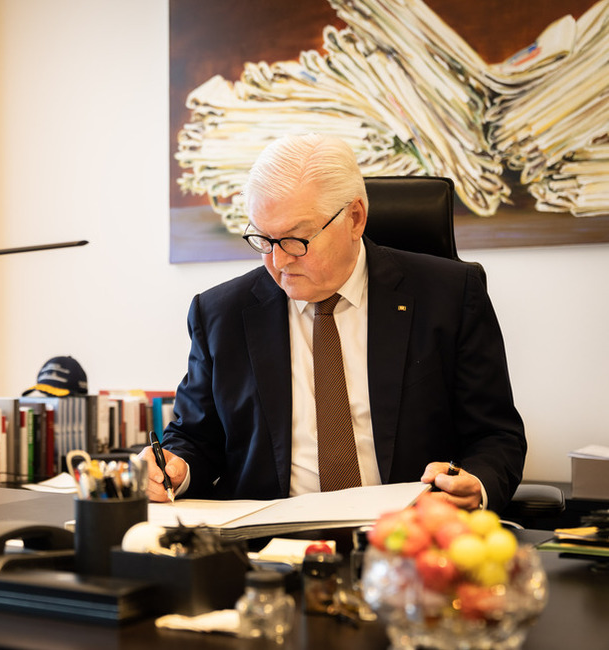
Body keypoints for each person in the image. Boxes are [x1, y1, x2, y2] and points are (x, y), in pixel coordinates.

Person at [143, 133, 526, 512]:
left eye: (295, 239)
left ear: (355, 217)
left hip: (411, 538)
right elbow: (194, 437)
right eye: (264, 239)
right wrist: (175, 468)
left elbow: (496, 435)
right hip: (269, 549)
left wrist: (475, 481)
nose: (278, 261)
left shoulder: (448, 295)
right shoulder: (220, 314)